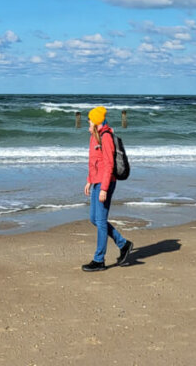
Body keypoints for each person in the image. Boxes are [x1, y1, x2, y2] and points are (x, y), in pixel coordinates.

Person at [82, 106, 133, 271]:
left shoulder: (106, 137)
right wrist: (89, 180)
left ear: (96, 122)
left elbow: (109, 165)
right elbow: (94, 162)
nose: (87, 123)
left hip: (106, 183)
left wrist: (104, 188)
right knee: (94, 219)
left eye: (89, 120)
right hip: (96, 182)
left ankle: (99, 260)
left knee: (101, 221)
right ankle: (123, 244)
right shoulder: (93, 137)